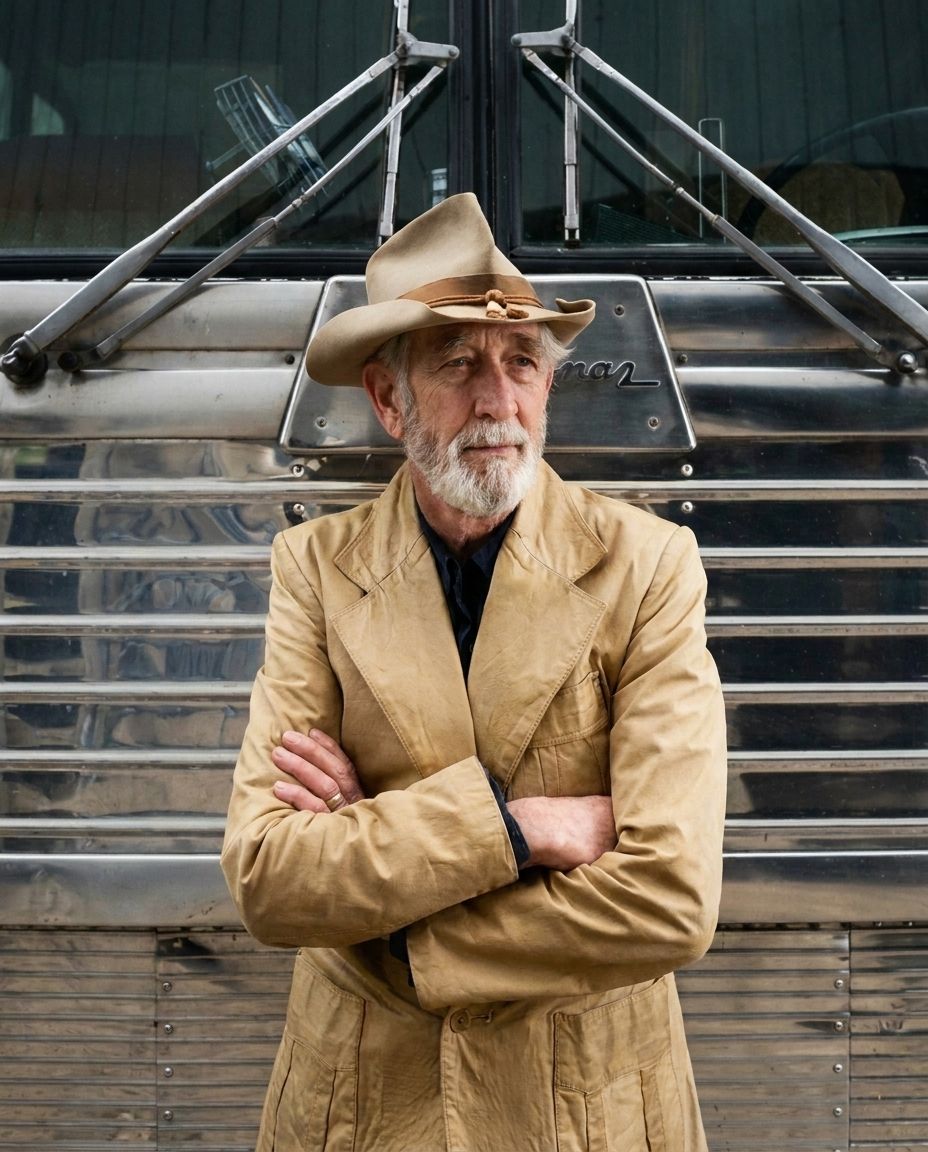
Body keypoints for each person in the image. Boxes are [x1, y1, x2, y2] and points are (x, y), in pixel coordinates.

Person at [222, 192, 727, 1152]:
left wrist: (392, 914)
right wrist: (522, 828)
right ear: (387, 399)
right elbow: (270, 877)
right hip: (367, 1107)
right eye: (457, 364)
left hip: (584, 1112)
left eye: (522, 362)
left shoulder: (649, 566)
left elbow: (671, 898)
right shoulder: (317, 570)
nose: (499, 402)